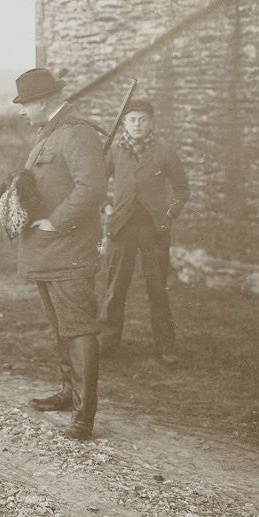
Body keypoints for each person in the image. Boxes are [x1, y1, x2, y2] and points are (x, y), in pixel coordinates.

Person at [14, 68, 107, 441]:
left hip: (68, 249)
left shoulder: (76, 133)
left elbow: (93, 187)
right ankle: (69, 393)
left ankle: (84, 415)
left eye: (25, 104)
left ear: (42, 102)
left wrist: (57, 221)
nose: (22, 112)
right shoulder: (49, 135)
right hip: (48, 253)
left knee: (79, 328)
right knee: (60, 327)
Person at [98, 99, 189, 363]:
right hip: (121, 227)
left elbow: (182, 189)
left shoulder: (164, 151)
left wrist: (170, 214)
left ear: (151, 123)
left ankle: (166, 347)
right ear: (124, 123)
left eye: (142, 120)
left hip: (154, 229)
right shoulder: (115, 151)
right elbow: (97, 185)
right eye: (132, 119)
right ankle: (108, 343)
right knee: (115, 288)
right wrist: (106, 207)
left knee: (158, 288)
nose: (137, 125)